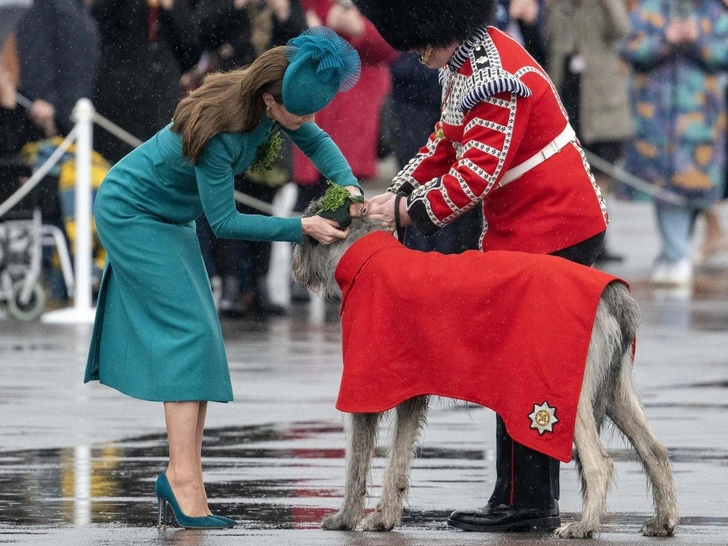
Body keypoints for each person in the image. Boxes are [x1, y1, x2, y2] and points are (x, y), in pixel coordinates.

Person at [83, 27, 363, 528]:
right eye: (296, 113)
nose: (304, 123)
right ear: (268, 99)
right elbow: (226, 223)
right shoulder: (224, 130)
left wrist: (350, 188)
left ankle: (183, 476)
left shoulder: (274, 103)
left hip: (169, 216)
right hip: (133, 213)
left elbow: (316, 141)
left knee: (204, 341)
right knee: (187, 336)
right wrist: (302, 227)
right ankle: (183, 481)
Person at [355, 0, 609, 533]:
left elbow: (474, 176)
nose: (420, 56)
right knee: (513, 365)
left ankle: (531, 502)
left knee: (528, 368)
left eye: (421, 44)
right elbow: (441, 147)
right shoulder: (467, 61)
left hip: (555, 229)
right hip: (526, 230)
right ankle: (514, 493)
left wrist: (408, 212)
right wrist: (397, 191)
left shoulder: (495, 79)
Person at [621, 0, 728, 287]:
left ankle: (675, 253)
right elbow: (629, 49)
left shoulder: (715, 13)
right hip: (656, 121)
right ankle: (674, 253)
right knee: (663, 189)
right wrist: (665, 39)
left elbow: (723, 54)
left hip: (702, 120)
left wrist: (697, 40)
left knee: (692, 187)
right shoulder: (650, 9)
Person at [544, 0, 633, 264]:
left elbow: (621, 29)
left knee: (601, 170)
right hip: (567, 91)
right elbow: (549, 39)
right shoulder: (558, 6)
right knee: (570, 171)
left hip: (600, 98)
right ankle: (577, 236)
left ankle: (599, 235)